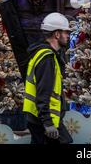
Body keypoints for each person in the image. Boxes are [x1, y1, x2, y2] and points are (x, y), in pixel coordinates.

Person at [23, 12, 73, 144]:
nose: (68, 36)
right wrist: (48, 123)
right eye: (65, 32)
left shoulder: (45, 54)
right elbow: (43, 93)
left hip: (39, 118)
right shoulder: (47, 59)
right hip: (44, 121)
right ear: (57, 34)